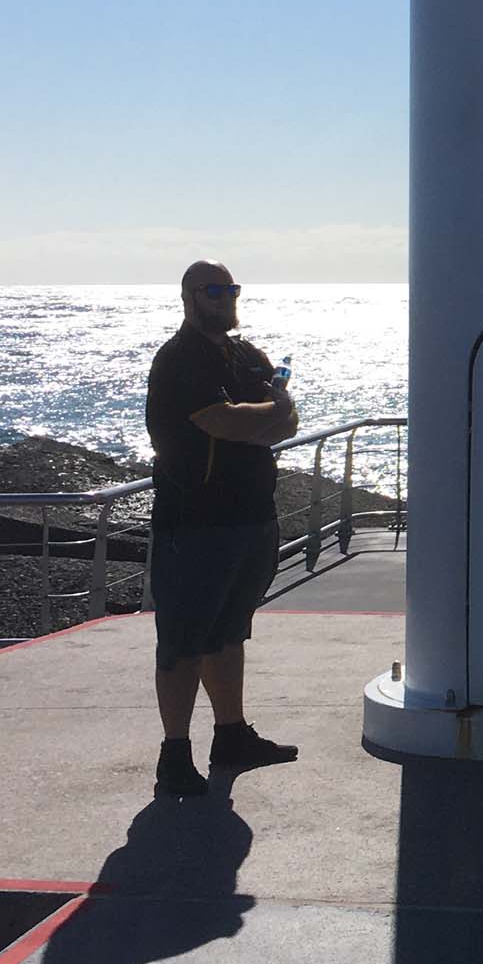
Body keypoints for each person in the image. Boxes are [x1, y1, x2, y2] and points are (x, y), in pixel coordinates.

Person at [142, 260, 303, 797]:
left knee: (229, 632)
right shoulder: (179, 359)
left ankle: (231, 735)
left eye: (231, 288)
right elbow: (223, 421)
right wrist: (267, 413)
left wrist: (262, 416)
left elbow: (286, 423)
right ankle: (174, 756)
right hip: (195, 522)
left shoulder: (245, 355)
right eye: (213, 290)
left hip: (252, 516)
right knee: (183, 641)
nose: (225, 298)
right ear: (189, 296)